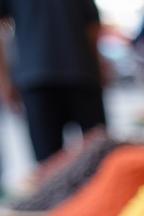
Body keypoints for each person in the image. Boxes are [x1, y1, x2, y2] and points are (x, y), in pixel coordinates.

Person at [0, 0, 106, 163]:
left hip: (46, 77)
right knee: (98, 157)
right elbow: (92, 28)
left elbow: (93, 27)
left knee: (97, 157)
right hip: (73, 73)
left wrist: (6, 80)